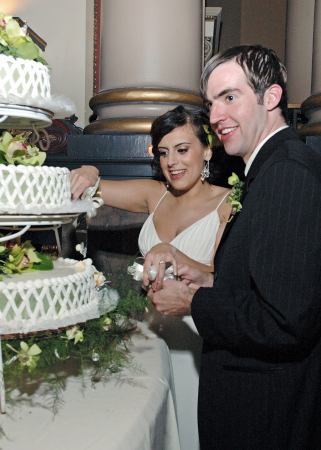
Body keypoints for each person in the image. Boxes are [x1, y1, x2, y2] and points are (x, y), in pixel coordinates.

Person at [148, 45, 321, 450]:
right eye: (211, 103)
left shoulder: (288, 176)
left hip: (264, 416)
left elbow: (285, 323)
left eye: (230, 97)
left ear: (271, 97)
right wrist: (209, 279)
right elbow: (272, 279)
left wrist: (193, 302)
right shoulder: (268, 168)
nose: (215, 117)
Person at [70, 105, 241, 450]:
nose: (172, 163)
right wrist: (88, 169)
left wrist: (173, 253)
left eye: (182, 150)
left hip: (195, 339)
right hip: (147, 333)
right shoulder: (154, 194)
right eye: (163, 153)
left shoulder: (229, 202)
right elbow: (94, 186)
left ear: (207, 150)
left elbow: (222, 278)